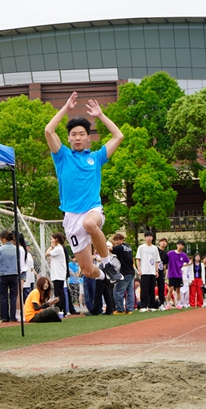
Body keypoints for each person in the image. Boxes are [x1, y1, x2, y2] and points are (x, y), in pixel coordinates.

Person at [45, 92, 124, 289]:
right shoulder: (62, 156)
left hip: (92, 209)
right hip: (71, 216)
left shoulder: (96, 157)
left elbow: (119, 136)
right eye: (73, 134)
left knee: (89, 224)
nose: (78, 137)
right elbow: (48, 130)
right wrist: (66, 108)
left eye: (81, 134)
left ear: (88, 137)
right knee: (87, 271)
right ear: (69, 138)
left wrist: (101, 115)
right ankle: (104, 277)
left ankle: (108, 263)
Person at [0, 230, 19, 322]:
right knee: (13, 296)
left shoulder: (0, 249)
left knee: (3, 296)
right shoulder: (16, 249)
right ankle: (13, 316)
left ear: (3, 239)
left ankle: (4, 316)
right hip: (14, 273)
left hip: (3, 274)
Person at [110, 233, 135, 314]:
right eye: (115, 240)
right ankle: (130, 309)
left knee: (117, 291)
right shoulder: (128, 247)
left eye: (119, 240)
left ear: (122, 240)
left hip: (124, 272)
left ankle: (120, 309)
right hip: (131, 272)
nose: (117, 242)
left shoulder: (119, 247)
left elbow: (110, 249)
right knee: (130, 292)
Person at [136, 232, 160, 312]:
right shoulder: (141, 247)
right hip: (144, 271)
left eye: (150, 236)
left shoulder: (155, 248)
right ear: (145, 238)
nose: (149, 238)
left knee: (152, 289)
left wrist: (156, 270)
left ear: (152, 238)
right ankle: (143, 306)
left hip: (152, 271)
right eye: (147, 236)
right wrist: (139, 269)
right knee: (144, 289)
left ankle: (151, 306)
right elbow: (138, 259)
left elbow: (157, 260)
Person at [46, 233, 69, 316]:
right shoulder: (58, 248)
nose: (51, 240)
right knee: (59, 293)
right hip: (57, 274)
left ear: (56, 239)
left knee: (59, 293)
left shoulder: (58, 248)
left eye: (52, 239)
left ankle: (60, 310)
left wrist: (51, 246)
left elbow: (47, 253)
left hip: (59, 274)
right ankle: (61, 310)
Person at [166, 240, 190, 307]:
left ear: (183, 247)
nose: (180, 246)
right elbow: (165, 260)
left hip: (179, 275)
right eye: (179, 244)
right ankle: (167, 304)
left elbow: (189, 262)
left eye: (182, 245)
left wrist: (183, 265)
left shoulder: (184, 255)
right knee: (170, 289)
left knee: (178, 290)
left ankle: (179, 304)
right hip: (171, 274)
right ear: (177, 245)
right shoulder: (170, 253)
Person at [156, 237, 169, 309]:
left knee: (161, 288)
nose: (163, 243)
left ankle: (161, 303)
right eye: (162, 241)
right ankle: (150, 303)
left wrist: (164, 273)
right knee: (151, 287)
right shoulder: (155, 250)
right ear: (159, 243)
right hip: (153, 271)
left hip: (161, 272)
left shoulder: (165, 254)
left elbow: (165, 265)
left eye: (165, 242)